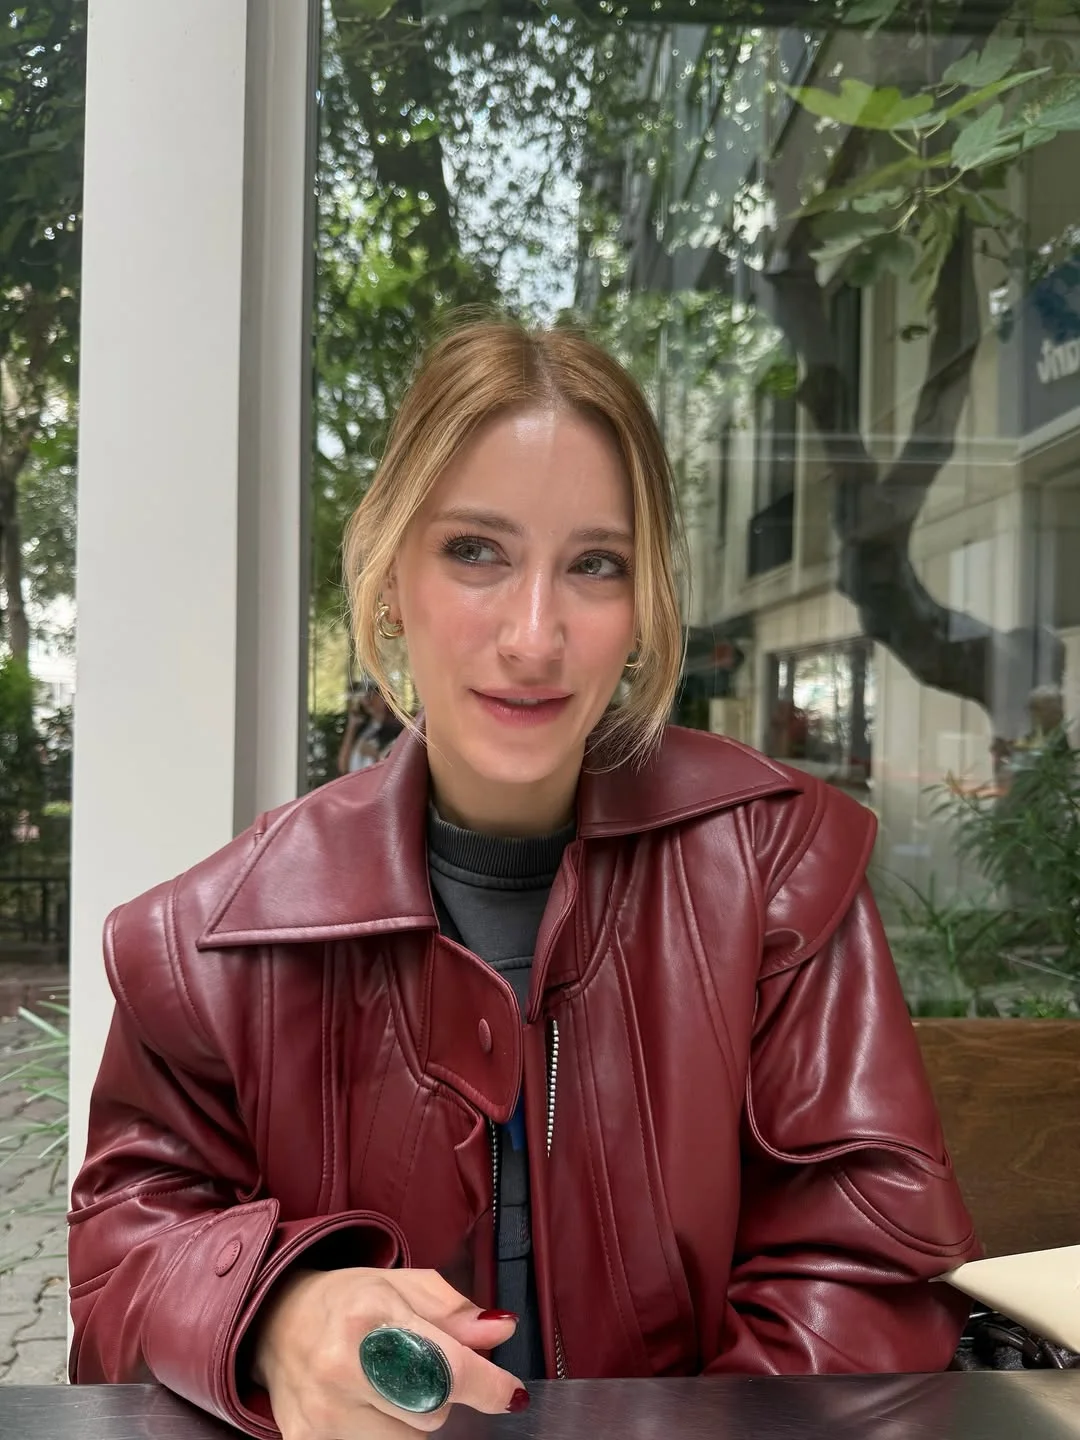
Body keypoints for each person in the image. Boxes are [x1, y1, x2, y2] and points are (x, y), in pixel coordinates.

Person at [68, 321, 979, 1440]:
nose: (536, 636)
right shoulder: (204, 943)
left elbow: (865, 1268)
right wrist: (274, 1312)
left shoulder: (779, 869)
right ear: (391, 579)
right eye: (476, 551)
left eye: (595, 564)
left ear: (642, 608)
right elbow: (122, 1263)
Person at [337, 683, 404, 775]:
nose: (368, 698)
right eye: (367, 694)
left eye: (375, 694)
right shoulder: (362, 727)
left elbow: (397, 766)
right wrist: (351, 728)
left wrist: (375, 754)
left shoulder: (398, 730)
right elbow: (343, 767)